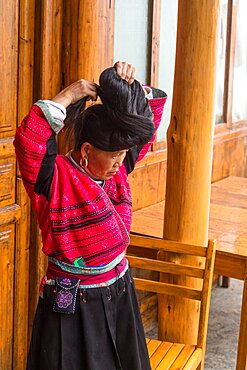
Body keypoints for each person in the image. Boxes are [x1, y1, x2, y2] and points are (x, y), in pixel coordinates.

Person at [14, 61, 167, 370]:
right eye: (113, 156)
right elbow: (29, 142)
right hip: (72, 303)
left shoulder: (118, 170)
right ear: (86, 150)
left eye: (123, 155)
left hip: (120, 291)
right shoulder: (53, 180)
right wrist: (71, 94)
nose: (120, 164)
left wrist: (131, 86)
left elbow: (149, 122)